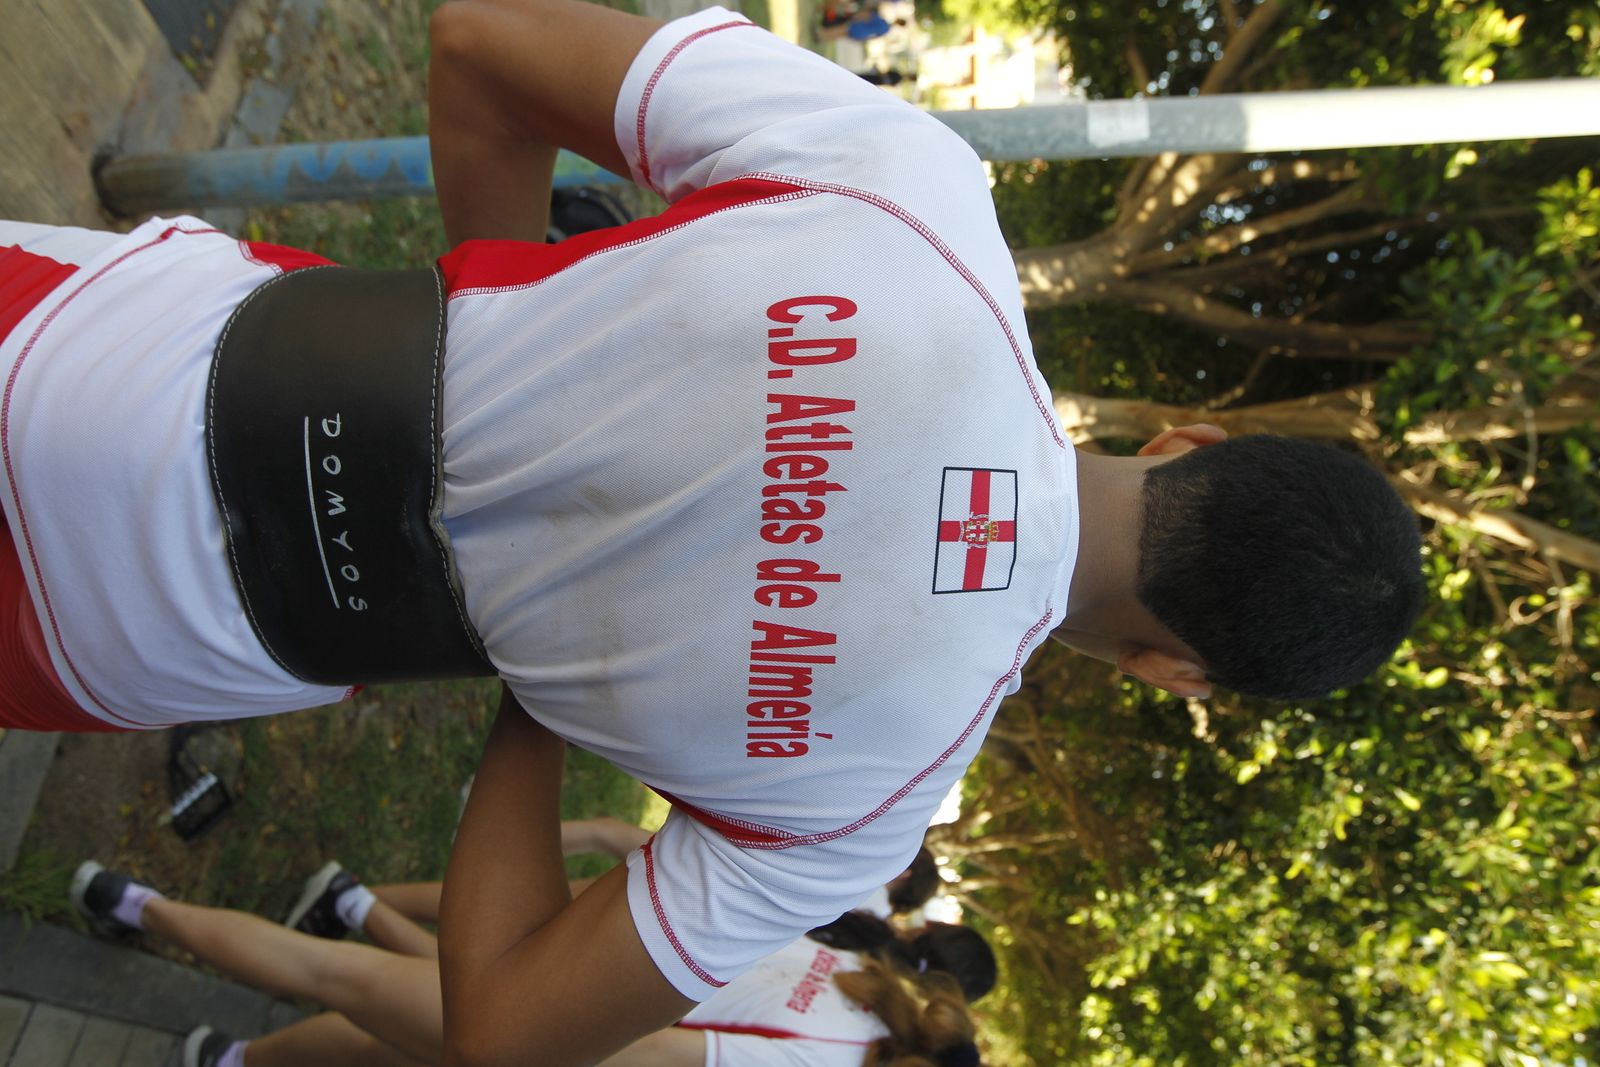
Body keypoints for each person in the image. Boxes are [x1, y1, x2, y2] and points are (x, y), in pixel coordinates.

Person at [0, 0, 1425, 1060]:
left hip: (110, 347)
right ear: (1179, 671)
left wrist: (483, 309)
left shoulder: (917, 193)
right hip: (131, 624)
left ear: (1195, 442)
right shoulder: (868, 807)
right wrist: (545, 675)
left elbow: (483, 44)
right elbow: (499, 1025)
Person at [69, 842, 993, 1067]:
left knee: (368, 1032)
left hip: (591, 953)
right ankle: (134, 903)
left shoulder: (861, 982)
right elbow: (657, 1052)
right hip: (554, 1031)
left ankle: (227, 1053)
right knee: (340, 979)